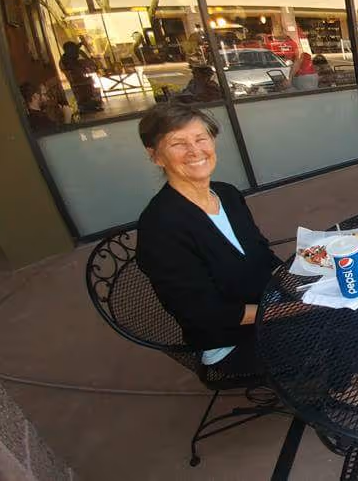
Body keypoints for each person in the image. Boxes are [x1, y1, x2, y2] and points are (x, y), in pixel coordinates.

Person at [136, 103, 282, 375]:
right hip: (232, 342)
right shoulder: (160, 226)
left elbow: (261, 253)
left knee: (356, 295)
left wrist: (300, 278)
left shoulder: (227, 194)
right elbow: (206, 314)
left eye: (200, 138)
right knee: (344, 319)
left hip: (271, 306)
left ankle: (350, 383)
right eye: (178, 143)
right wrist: (291, 309)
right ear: (155, 156)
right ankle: (347, 389)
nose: (194, 151)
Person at [59, 41, 102, 113]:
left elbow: (90, 67)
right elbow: (86, 67)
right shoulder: (68, 61)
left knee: (90, 81)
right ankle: (87, 106)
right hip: (76, 82)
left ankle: (90, 105)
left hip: (79, 80)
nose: (77, 53)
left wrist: (81, 45)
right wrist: (85, 56)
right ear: (70, 51)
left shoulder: (68, 57)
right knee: (88, 83)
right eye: (75, 51)